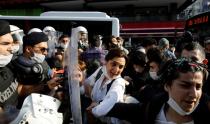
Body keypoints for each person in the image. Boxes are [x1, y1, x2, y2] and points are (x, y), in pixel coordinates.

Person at [107, 58, 210, 124]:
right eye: (185, 86)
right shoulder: (149, 111)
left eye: (198, 87)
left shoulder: (205, 114)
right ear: (167, 86)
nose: (193, 94)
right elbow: (112, 108)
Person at [84, 48, 128, 124]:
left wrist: (91, 110)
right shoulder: (101, 71)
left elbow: (101, 110)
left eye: (121, 67)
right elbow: (87, 83)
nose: (116, 69)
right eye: (113, 64)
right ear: (105, 62)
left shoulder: (119, 83)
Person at [0, 20, 20, 123]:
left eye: (12, 43)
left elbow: (18, 90)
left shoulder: (8, 67)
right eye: (5, 44)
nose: (11, 48)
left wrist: (47, 87)